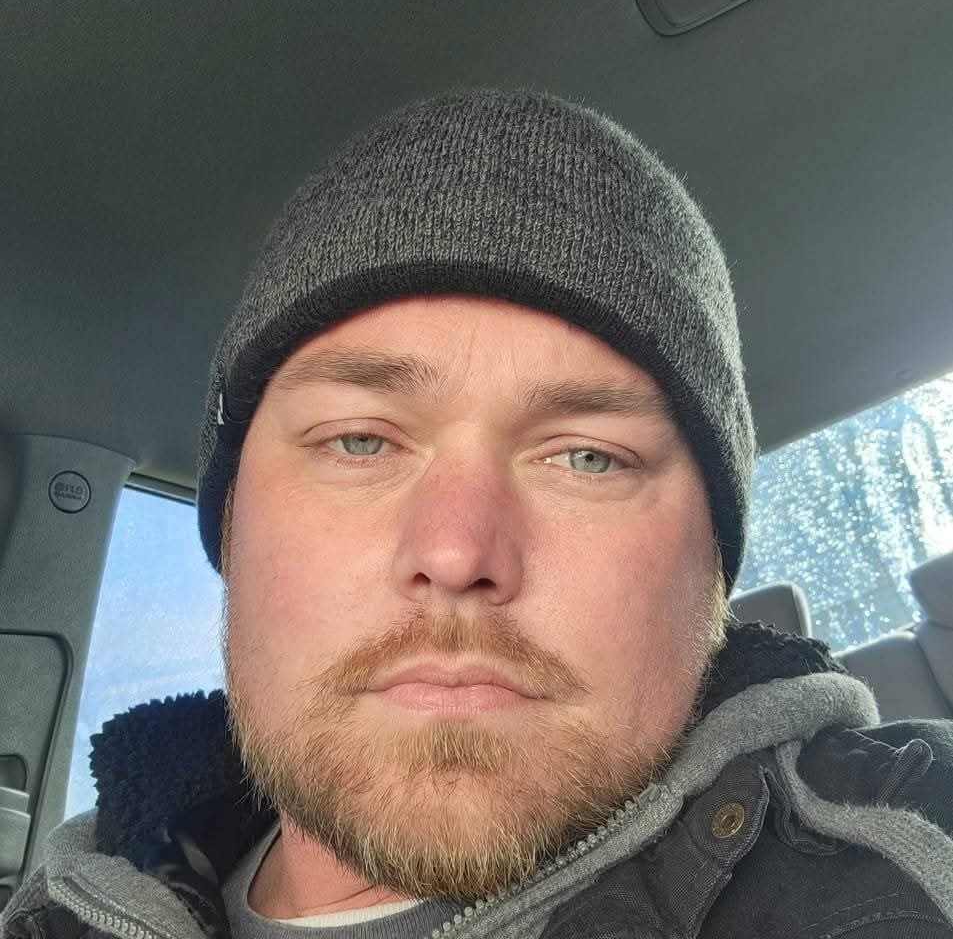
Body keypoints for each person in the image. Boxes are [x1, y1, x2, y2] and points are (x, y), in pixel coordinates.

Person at [3, 88, 952, 939]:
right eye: (358, 441)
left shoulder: (909, 867)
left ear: (712, 566)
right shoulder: (58, 915)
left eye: (586, 456)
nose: (456, 552)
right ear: (232, 528)